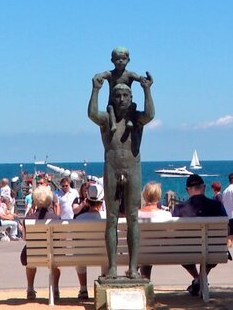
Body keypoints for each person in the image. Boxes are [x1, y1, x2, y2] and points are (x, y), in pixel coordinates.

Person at [88, 68, 154, 279]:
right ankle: (113, 268)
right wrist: (96, 90)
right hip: (112, 167)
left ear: (131, 97)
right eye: (117, 95)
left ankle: (133, 268)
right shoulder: (108, 119)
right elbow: (91, 114)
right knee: (112, 220)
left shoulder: (136, 119)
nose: (121, 99)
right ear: (112, 98)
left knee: (133, 217)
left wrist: (147, 90)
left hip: (133, 167)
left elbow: (150, 114)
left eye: (125, 95)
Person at [172, 174, 227, 297]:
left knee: (182, 249)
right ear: (204, 187)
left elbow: (174, 233)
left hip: (186, 252)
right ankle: (200, 281)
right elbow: (226, 228)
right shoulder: (217, 206)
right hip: (214, 250)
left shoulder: (179, 208)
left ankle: (198, 279)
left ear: (187, 190)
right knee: (209, 251)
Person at [94, 46, 145, 132]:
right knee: (110, 108)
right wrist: (98, 77)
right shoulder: (110, 74)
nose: (120, 61)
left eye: (123, 58)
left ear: (128, 60)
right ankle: (113, 124)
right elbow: (101, 75)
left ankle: (129, 120)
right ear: (112, 60)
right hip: (113, 102)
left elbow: (139, 78)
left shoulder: (129, 75)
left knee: (133, 106)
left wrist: (143, 79)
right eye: (117, 59)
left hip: (127, 104)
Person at [24, 186, 61, 301]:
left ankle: (30, 288)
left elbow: (26, 238)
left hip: (34, 255)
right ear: (50, 200)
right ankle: (55, 288)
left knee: (29, 255)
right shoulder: (56, 218)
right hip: (53, 254)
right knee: (56, 256)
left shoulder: (28, 219)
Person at [73, 183, 106, 299]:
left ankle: (83, 289)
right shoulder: (106, 217)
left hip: (83, 255)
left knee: (79, 253)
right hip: (103, 255)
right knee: (106, 254)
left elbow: (75, 240)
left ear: (87, 200)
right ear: (101, 201)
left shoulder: (79, 219)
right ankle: (104, 285)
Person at [137, 182, 173, 280]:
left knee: (142, 248)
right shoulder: (166, 215)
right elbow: (170, 237)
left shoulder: (135, 215)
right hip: (160, 254)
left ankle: (140, 277)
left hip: (139, 253)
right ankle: (145, 279)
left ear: (144, 196)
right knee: (149, 249)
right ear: (159, 197)